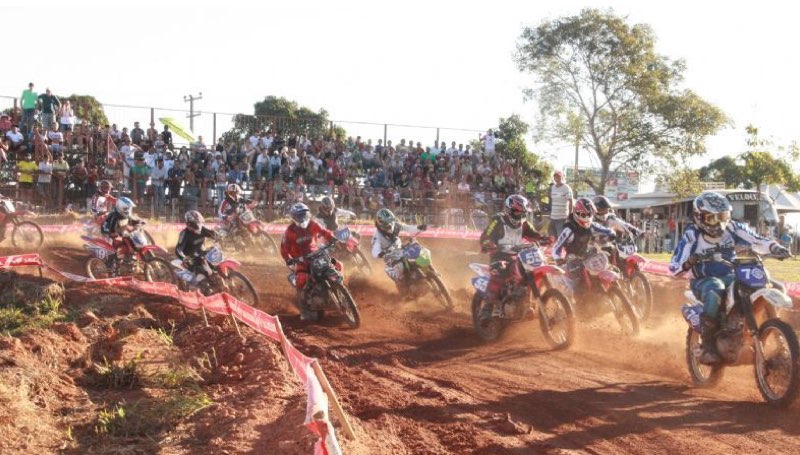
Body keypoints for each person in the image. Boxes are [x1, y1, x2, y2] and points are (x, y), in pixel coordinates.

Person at [669, 191, 790, 364]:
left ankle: (779, 342)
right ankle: (708, 346)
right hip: (704, 280)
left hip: (731, 273)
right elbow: (674, 266)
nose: (719, 223)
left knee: (775, 287)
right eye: (712, 218)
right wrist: (689, 262)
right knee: (715, 290)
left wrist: (775, 248)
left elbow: (756, 240)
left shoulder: (732, 227)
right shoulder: (691, 235)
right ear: (699, 217)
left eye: (723, 216)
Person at [478, 194, 551, 323]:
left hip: (517, 256)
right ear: (508, 210)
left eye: (522, 212)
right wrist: (488, 243)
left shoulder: (524, 223)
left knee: (531, 271)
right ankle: (487, 308)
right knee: (498, 273)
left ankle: (528, 302)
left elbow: (534, 234)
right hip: (499, 255)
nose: (520, 215)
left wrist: (544, 239)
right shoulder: (498, 220)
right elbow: (486, 235)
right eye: (517, 211)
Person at [280, 203, 339, 320]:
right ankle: (304, 309)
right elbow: (284, 249)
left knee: (337, 265)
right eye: (299, 216)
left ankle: (340, 289)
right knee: (302, 279)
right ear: (294, 218)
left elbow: (324, 231)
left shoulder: (312, 224)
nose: (303, 218)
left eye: (304, 215)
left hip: (316, 253)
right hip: (301, 259)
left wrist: (331, 238)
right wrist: (289, 260)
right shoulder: (290, 232)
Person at [371, 208, 427, 290]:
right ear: (381, 224)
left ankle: (430, 270)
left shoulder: (396, 225)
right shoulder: (377, 236)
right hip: (390, 257)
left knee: (418, 250)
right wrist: (380, 253)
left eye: (390, 222)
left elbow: (408, 228)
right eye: (387, 224)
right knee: (400, 268)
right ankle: (404, 286)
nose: (390, 226)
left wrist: (419, 228)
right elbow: (374, 251)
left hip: (400, 248)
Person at [175, 211, 218, 280]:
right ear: (189, 224)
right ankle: (198, 287)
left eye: (199, 222)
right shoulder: (184, 234)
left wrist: (217, 237)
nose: (198, 225)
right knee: (201, 275)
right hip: (191, 259)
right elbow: (178, 249)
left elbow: (213, 234)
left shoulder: (202, 229)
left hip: (202, 254)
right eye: (196, 223)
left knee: (216, 267)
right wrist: (183, 258)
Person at [547, 170, 573, 237]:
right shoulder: (553, 187)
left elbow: (571, 201)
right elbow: (553, 201)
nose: (556, 178)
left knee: (561, 238)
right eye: (555, 177)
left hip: (562, 217)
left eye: (558, 177)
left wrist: (570, 215)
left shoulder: (566, 188)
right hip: (553, 217)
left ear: (562, 177)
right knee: (552, 236)